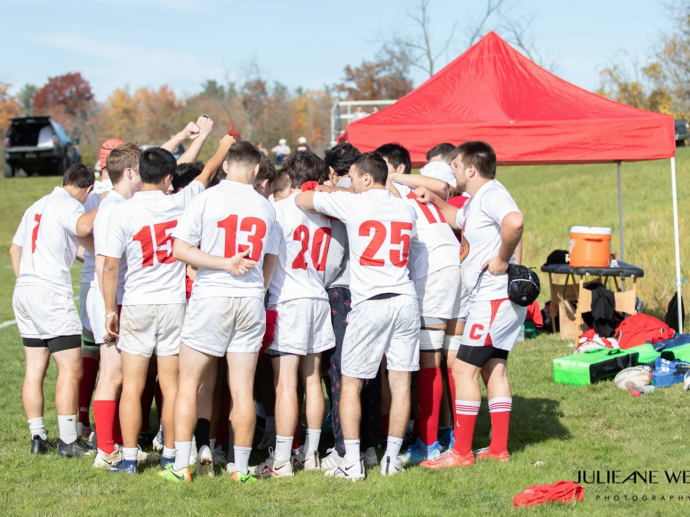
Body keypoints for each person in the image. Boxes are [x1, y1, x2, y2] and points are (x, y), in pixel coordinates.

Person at [100, 123, 221, 475]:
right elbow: (208, 170)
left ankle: (128, 458)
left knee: (133, 386)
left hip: (137, 301)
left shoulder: (122, 209)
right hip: (173, 303)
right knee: (171, 385)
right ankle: (170, 455)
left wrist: (110, 308)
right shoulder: (181, 201)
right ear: (169, 177)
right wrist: (215, 140)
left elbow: (109, 267)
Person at [295, 152, 421, 481]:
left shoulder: (355, 203)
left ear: (366, 178)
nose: (348, 182)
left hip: (370, 302)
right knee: (401, 383)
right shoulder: (405, 207)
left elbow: (304, 198)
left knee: (350, 384)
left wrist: (338, 191)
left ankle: (352, 463)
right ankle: (391, 460)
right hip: (406, 298)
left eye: (352, 177)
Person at [161, 140, 275, 484]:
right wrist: (258, 290)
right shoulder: (265, 206)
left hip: (212, 296)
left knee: (189, 384)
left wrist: (222, 264)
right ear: (256, 170)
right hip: (250, 299)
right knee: (242, 389)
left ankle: (182, 465)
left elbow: (180, 249)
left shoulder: (206, 198)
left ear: (225, 166)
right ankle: (239, 469)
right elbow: (271, 258)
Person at [414, 141, 526, 469]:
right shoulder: (480, 200)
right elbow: (455, 217)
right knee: (494, 368)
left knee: (463, 369)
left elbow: (515, 222)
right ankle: (498, 449)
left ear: (471, 169)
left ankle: (461, 452)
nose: (453, 169)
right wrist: (433, 198)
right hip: (495, 299)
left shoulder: (491, 194)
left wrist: (502, 260)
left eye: (457, 165)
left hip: (492, 297)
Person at [377, 143, 462, 465]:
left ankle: (429, 443)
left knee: (430, 361)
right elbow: (441, 189)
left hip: (433, 271)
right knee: (450, 360)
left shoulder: (396, 187)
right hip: (452, 264)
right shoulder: (418, 186)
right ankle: (451, 433)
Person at [252, 152, 335, 478]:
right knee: (312, 379)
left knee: (285, 383)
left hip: (288, 299)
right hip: (317, 296)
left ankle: (283, 459)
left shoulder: (278, 209)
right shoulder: (325, 212)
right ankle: (310, 453)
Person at [11, 163, 98, 457]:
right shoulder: (67, 203)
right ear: (86, 189)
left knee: (34, 369)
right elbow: (84, 226)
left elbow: (15, 249)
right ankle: (69, 441)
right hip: (50, 293)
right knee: (71, 368)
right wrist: (111, 204)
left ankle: (38, 437)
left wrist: (27, 281)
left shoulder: (36, 205)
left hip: (24, 289)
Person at [87, 142, 151, 468]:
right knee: (112, 376)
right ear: (128, 173)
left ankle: (108, 445)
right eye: (141, 173)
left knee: (116, 375)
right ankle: (106, 449)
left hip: (112, 297)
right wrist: (110, 308)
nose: (144, 180)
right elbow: (103, 263)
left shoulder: (113, 203)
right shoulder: (114, 207)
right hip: (108, 298)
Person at [320, 143, 382, 471]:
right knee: (372, 372)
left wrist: (322, 282)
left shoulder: (339, 195)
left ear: (332, 171)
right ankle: (370, 445)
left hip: (343, 289)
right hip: (374, 290)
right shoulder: (375, 192)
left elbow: (335, 252)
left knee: (343, 373)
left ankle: (346, 448)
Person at [76, 138, 122, 440]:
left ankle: (82, 419)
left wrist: (92, 253)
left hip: (89, 283)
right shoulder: (117, 197)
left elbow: (78, 235)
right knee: (115, 365)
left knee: (91, 354)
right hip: (112, 285)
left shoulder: (90, 195)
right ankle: (114, 436)